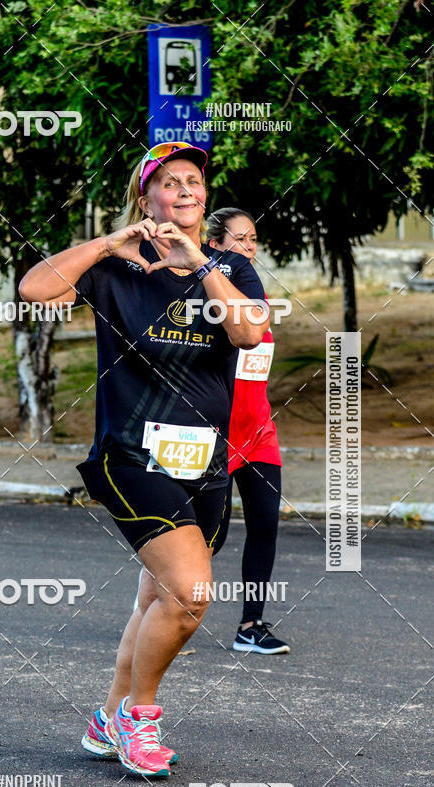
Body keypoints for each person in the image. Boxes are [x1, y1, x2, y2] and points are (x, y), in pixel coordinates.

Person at [19, 142, 268, 778]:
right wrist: (108, 244)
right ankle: (140, 717)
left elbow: (246, 332)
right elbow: (34, 288)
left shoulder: (232, 269)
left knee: (155, 599)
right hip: (131, 456)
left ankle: (106, 718)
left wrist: (200, 263)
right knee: (189, 595)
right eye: (169, 183)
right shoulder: (115, 269)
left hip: (206, 461)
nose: (185, 190)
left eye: (194, 181)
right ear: (146, 198)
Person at [207, 207, 289, 654]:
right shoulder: (206, 299)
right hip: (214, 437)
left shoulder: (256, 297)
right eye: (240, 239)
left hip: (258, 433)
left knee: (265, 525)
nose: (250, 247)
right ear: (215, 245)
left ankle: (250, 626)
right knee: (205, 539)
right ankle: (167, 612)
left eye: (253, 238)